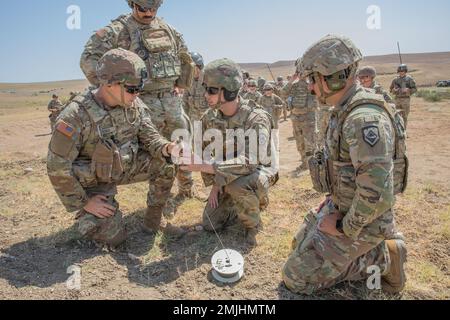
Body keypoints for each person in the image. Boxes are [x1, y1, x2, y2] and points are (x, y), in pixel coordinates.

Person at [282, 35, 409, 295]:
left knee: (295, 278)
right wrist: (332, 199)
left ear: (331, 78)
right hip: (345, 207)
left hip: (366, 221)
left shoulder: (363, 119)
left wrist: (342, 227)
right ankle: (370, 250)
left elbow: (377, 195)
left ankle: (384, 258)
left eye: (312, 80)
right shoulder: (344, 109)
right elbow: (347, 170)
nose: (309, 88)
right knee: (297, 244)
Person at [48, 49, 186, 248]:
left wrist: (167, 147)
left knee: (166, 163)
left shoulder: (134, 104)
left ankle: (154, 221)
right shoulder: (75, 116)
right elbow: (56, 165)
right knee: (115, 238)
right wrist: (84, 201)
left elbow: (150, 136)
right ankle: (87, 216)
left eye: (140, 87)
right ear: (108, 83)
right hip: (95, 180)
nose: (137, 93)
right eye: (131, 88)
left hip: (125, 166)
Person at [80, 0, 195, 212]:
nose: (149, 13)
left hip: (171, 100)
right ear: (132, 4)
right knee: (154, 151)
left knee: (182, 142)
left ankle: (186, 187)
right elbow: (89, 59)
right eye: (143, 8)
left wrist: (181, 85)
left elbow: (184, 57)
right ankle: (157, 205)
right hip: (140, 101)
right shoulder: (117, 30)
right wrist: (114, 92)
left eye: (154, 8)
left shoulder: (168, 29)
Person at [181, 59, 279, 246]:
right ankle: (237, 199)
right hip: (226, 174)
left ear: (228, 90)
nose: (205, 95)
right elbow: (210, 154)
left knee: (238, 185)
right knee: (210, 224)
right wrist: (216, 185)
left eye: (211, 90)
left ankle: (253, 223)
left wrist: (206, 167)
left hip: (258, 171)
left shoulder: (256, 118)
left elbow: (251, 160)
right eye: (205, 88)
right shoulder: (209, 118)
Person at [282, 70, 317, 172]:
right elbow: (283, 93)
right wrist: (291, 80)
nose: (302, 76)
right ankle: (304, 163)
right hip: (296, 118)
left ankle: (311, 164)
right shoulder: (294, 86)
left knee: (309, 142)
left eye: (304, 74)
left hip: (308, 118)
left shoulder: (311, 86)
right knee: (299, 142)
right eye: (300, 73)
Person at [183, 52, 209, 122]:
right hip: (193, 120)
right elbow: (185, 103)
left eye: (190, 68)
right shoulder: (188, 81)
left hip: (207, 121)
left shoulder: (209, 79)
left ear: (198, 67)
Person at [390, 64, 417, 128]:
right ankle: (398, 131)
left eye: (403, 71)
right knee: (396, 115)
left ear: (405, 71)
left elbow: (415, 89)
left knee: (404, 116)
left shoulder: (409, 79)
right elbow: (390, 89)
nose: (401, 72)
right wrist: (394, 90)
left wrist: (408, 90)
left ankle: (404, 131)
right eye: (400, 71)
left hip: (405, 100)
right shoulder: (395, 80)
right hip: (397, 99)